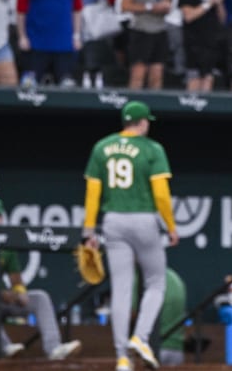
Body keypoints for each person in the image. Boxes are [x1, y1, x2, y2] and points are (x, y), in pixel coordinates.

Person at [82, 100, 179, 371]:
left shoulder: (102, 147)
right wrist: (170, 226)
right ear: (142, 122)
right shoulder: (152, 148)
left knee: (122, 290)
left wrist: (88, 232)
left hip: (112, 220)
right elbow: (160, 193)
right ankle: (141, 337)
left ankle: (122, 358)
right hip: (144, 219)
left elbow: (92, 194)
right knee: (156, 282)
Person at [0, 197, 82, 360]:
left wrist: (19, 292)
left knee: (40, 298)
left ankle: (53, 348)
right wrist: (0, 294)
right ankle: (4, 346)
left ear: (1, 218)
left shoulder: (6, 241)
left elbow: (16, 280)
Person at [133, 267, 187, 366]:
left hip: (153, 348)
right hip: (177, 350)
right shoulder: (175, 278)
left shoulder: (140, 279)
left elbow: (132, 314)